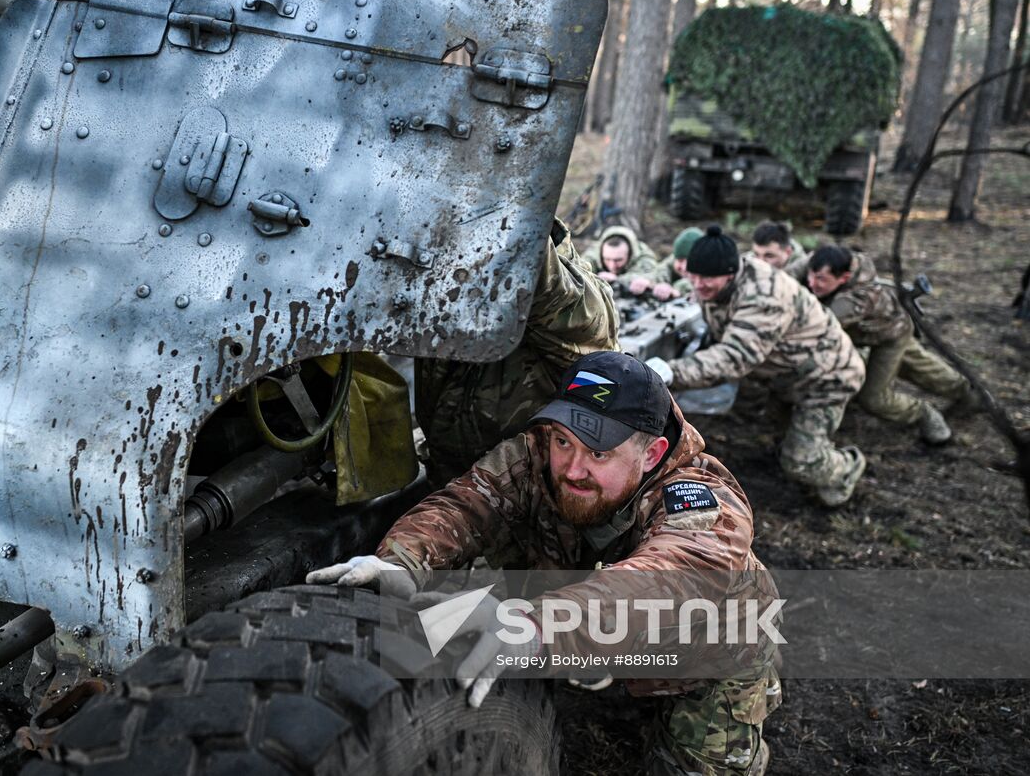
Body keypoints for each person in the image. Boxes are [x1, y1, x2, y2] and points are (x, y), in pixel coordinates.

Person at [310, 351, 782, 776]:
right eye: (563, 442)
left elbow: (669, 581)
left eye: (599, 453)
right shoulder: (539, 450)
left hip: (703, 651)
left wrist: (537, 625)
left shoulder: (701, 502)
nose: (573, 468)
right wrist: (400, 562)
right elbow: (464, 506)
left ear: (652, 453)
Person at [647, 227, 867, 507]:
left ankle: (848, 465)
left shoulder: (763, 296)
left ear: (730, 273)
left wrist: (673, 371)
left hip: (827, 378)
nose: (699, 285)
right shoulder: (724, 278)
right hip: (788, 372)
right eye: (694, 276)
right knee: (780, 437)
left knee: (801, 462)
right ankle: (797, 442)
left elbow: (735, 357)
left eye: (708, 279)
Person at [415, 220, 619, 479]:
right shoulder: (451, 292)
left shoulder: (582, 302)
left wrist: (497, 211)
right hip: (455, 481)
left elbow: (546, 287)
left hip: (535, 494)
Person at [804, 245, 970, 444]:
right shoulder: (834, 261)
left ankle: (925, 413)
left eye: (821, 279)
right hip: (883, 322)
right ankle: (969, 393)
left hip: (890, 336)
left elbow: (813, 328)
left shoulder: (852, 302)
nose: (812, 283)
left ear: (844, 278)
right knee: (923, 368)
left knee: (875, 398)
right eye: (810, 275)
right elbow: (795, 270)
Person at [632, 226, 702, 301]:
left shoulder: (711, 269)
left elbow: (699, 283)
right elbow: (660, 272)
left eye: (691, 261)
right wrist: (647, 282)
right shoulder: (671, 263)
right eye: (680, 260)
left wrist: (676, 290)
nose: (684, 267)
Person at [582, 224, 660, 289]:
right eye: (607, 259)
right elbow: (579, 273)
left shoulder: (644, 256)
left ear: (630, 254)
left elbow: (652, 277)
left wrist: (617, 280)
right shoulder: (593, 254)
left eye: (618, 260)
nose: (612, 266)